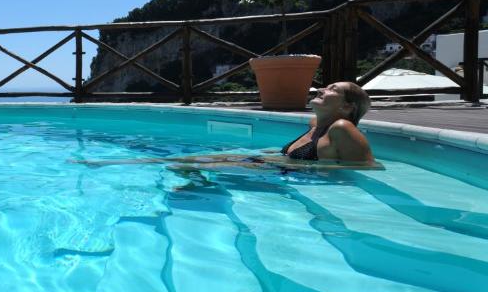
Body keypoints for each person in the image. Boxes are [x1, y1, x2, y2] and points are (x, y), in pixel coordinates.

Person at [77, 81, 377, 171]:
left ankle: (107, 163)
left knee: (196, 165)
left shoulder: (341, 128)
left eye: (331, 90)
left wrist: (302, 168)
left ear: (347, 105)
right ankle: (109, 162)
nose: (321, 90)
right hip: (275, 166)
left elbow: (367, 169)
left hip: (288, 176)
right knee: (186, 161)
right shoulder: (315, 125)